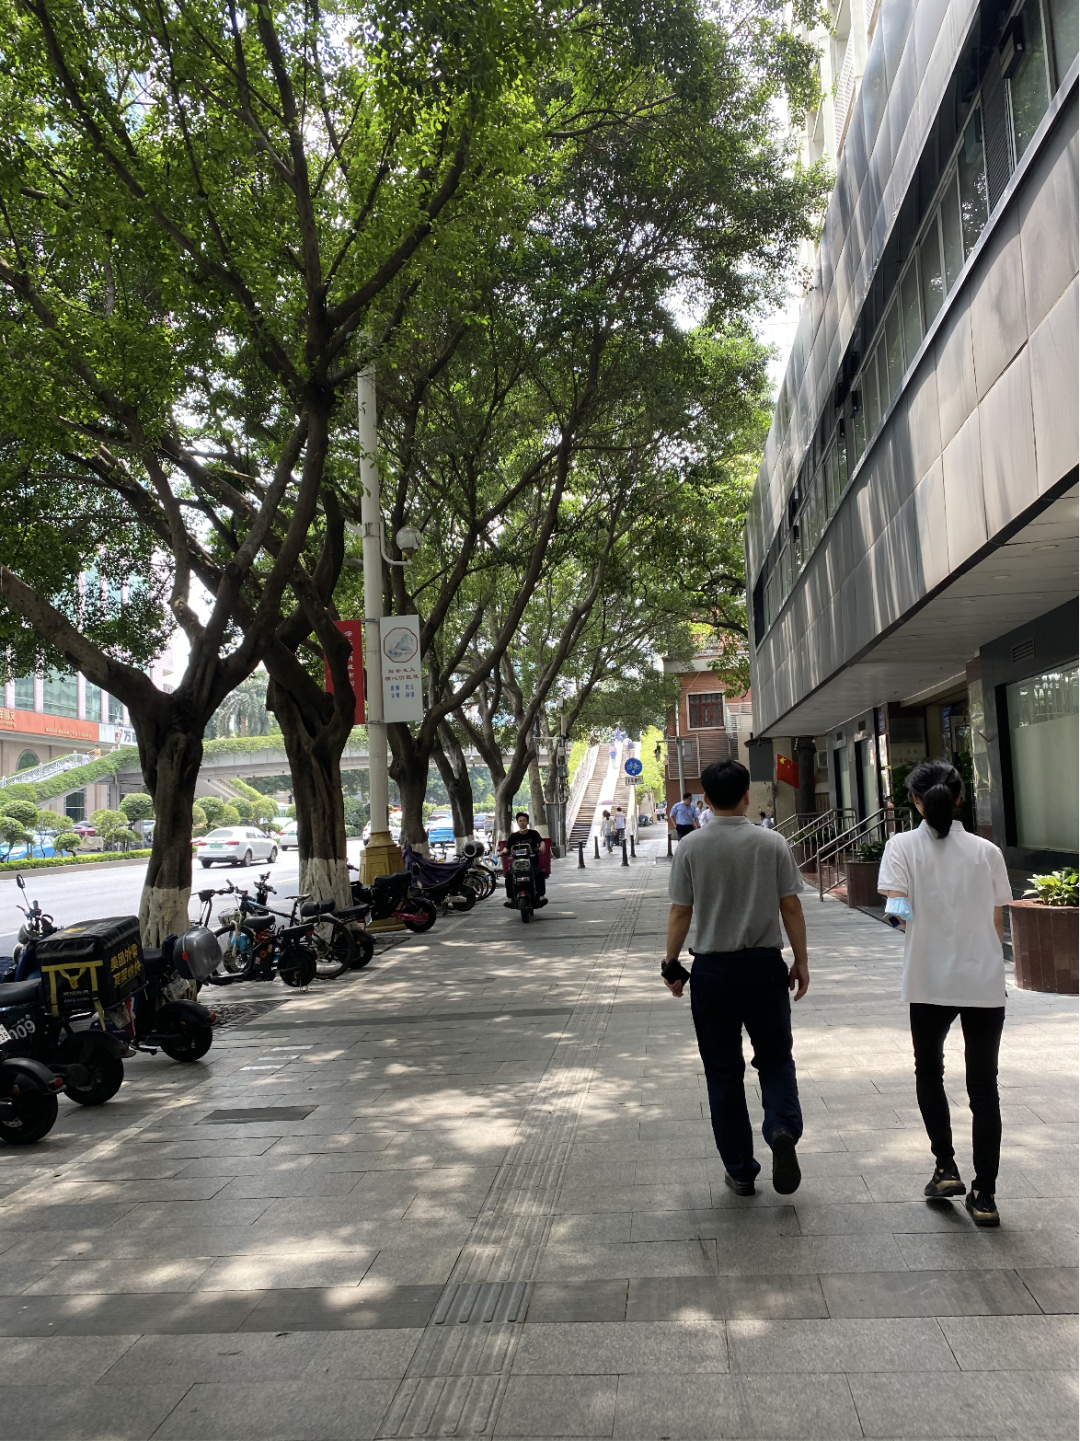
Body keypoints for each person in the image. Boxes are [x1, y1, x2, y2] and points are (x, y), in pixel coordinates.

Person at [663, 759, 808, 1197]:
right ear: (747, 796)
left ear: (706, 799)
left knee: (723, 1071)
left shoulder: (691, 847)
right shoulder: (772, 842)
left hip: (714, 972)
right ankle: (781, 1127)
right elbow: (791, 906)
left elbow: (680, 912)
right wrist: (801, 961)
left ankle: (741, 1170)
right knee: (776, 1058)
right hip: (765, 968)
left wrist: (671, 963)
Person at [877, 760, 1012, 1228]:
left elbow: (896, 909)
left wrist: (920, 927)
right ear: (959, 797)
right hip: (983, 979)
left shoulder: (900, 846)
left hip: (928, 978)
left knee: (929, 1072)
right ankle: (985, 1195)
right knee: (984, 1086)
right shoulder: (986, 851)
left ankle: (945, 1167)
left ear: (915, 800)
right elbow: (997, 917)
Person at [502, 811, 548, 908]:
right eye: (520, 821)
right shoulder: (513, 836)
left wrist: (542, 846)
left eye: (524, 821)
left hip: (532, 863)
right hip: (517, 864)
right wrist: (504, 851)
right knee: (509, 876)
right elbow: (507, 847)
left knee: (539, 874)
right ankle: (510, 898)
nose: (522, 823)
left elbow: (541, 841)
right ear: (517, 822)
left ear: (527, 822)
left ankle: (541, 896)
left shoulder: (533, 833)